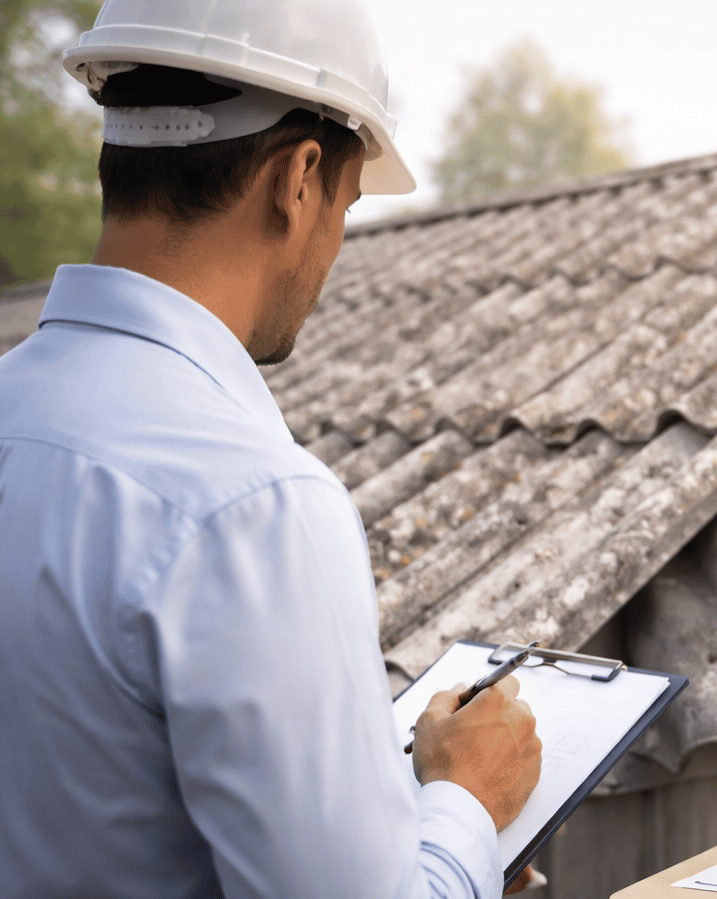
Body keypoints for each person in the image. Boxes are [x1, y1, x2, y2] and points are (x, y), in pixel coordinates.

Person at [0, 2, 541, 896]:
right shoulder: (250, 503)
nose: (332, 247)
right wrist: (466, 806)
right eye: (348, 203)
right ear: (298, 179)